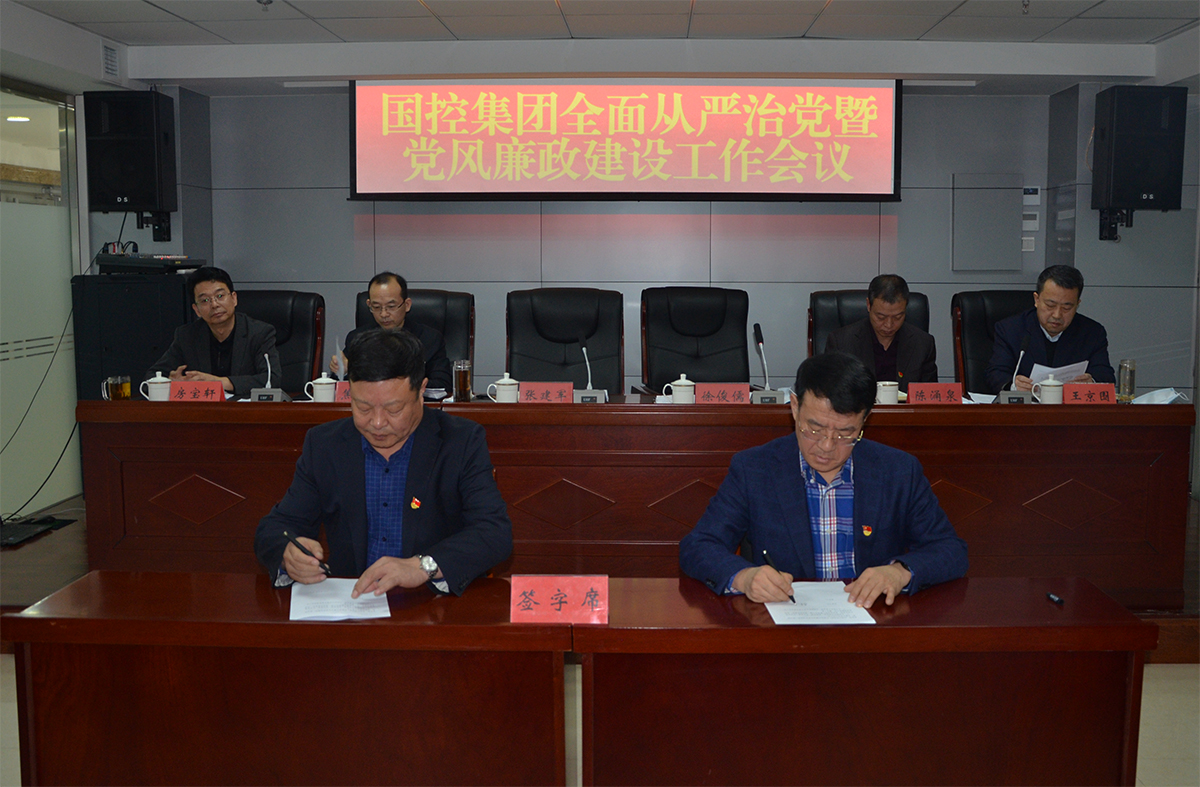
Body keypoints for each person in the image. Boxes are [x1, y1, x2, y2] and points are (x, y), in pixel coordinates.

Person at [679, 352, 968, 608]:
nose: (827, 446)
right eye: (814, 429)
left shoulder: (898, 471)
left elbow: (951, 550)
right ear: (795, 407)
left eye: (845, 433)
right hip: (785, 627)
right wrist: (744, 577)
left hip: (872, 623)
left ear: (865, 419)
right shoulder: (755, 469)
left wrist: (900, 572)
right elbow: (699, 546)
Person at [255, 328, 512, 597]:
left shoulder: (461, 441)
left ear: (421, 390)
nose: (377, 423)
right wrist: (288, 554)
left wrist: (423, 565)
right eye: (363, 407)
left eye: (393, 409)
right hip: (353, 602)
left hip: (430, 603)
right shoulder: (324, 444)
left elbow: (494, 532)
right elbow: (275, 528)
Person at [148, 266, 280, 399]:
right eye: (205, 300)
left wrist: (219, 382)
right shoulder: (187, 336)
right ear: (196, 310)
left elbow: (272, 380)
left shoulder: (259, 333)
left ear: (234, 298)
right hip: (204, 410)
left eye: (220, 296)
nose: (214, 304)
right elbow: (151, 377)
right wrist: (170, 383)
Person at [985, 265, 1115, 393]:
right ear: (1036, 300)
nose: (1057, 315)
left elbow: (1105, 375)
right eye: (1050, 305)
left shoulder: (1092, 333)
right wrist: (1013, 386)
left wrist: (1092, 382)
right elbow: (996, 374)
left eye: (1066, 307)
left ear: (1077, 304)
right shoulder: (1010, 329)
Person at [330, 272, 453, 392]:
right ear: (369, 305)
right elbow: (336, 385)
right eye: (376, 307)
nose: (384, 314)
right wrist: (343, 371)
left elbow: (442, 385)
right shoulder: (357, 338)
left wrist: (398, 384)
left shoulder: (430, 339)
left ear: (407, 305)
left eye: (391, 306)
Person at [823, 274, 937, 392]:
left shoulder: (923, 344)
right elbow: (830, 392)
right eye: (881, 317)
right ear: (868, 305)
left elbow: (929, 396)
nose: (889, 325)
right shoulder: (841, 342)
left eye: (898, 317)